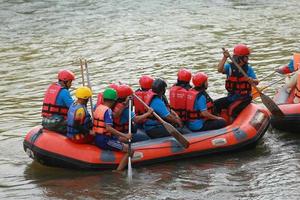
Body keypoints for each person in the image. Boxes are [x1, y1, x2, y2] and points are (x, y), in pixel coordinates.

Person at [214, 44, 259, 118]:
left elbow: (256, 82)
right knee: (215, 104)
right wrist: (225, 58)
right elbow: (219, 69)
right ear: (239, 58)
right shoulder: (230, 67)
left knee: (233, 110)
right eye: (246, 57)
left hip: (244, 98)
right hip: (231, 97)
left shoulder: (248, 69)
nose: (247, 59)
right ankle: (218, 120)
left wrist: (252, 80)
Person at [93, 88, 132, 171]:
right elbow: (109, 128)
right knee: (130, 150)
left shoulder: (98, 107)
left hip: (98, 137)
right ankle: (118, 171)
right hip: (105, 140)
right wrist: (125, 135)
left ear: (103, 99)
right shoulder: (108, 111)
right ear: (114, 101)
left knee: (124, 139)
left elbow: (112, 118)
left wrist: (124, 105)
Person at [41, 69, 75, 134]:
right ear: (66, 81)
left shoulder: (51, 88)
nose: (70, 85)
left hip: (45, 122)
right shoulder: (64, 92)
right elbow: (73, 108)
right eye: (70, 82)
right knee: (77, 125)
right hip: (57, 124)